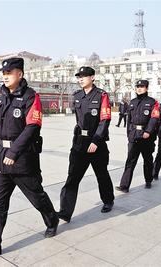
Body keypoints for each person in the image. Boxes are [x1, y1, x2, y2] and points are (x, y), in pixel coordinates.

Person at [0, 58, 59, 258]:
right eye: (3, 72)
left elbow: (32, 127)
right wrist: (5, 153)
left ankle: (52, 219)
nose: (5, 75)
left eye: (9, 72)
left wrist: (14, 152)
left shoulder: (31, 97)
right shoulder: (2, 96)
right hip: (1, 157)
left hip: (22, 159)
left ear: (20, 74)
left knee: (36, 196)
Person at [58, 66, 114, 223]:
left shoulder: (101, 95)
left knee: (101, 175)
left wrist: (96, 140)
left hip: (97, 143)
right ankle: (65, 212)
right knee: (72, 177)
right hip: (80, 143)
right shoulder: (77, 96)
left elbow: (105, 119)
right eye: (79, 77)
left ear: (93, 77)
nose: (80, 79)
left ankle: (108, 200)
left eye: (84, 76)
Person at [115, 80, 160, 192]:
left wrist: (148, 131)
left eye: (142, 86)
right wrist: (129, 133)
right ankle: (124, 186)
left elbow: (154, 118)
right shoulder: (132, 102)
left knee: (148, 160)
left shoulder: (153, 102)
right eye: (138, 86)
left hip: (146, 136)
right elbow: (129, 119)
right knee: (130, 160)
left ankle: (148, 180)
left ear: (147, 88)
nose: (139, 88)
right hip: (134, 135)